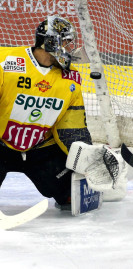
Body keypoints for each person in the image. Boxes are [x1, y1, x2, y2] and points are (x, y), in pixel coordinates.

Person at [0, 15, 125, 213]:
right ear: (50, 42)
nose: (70, 48)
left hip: (40, 149)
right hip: (1, 146)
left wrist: (89, 160)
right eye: (66, 42)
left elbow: (72, 128)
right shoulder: (6, 62)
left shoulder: (71, 78)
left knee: (70, 193)